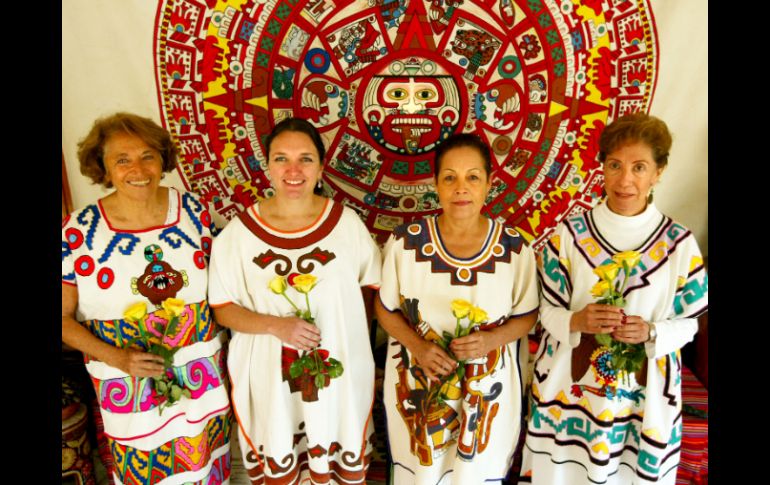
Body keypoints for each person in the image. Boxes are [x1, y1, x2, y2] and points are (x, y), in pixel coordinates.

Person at [519, 113, 709, 484]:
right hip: (569, 398)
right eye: (615, 165)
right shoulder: (569, 235)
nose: (625, 180)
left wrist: (652, 332)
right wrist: (576, 321)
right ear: (601, 168)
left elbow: (691, 322)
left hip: (643, 398)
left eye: (639, 167)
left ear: (659, 171)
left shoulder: (679, 244)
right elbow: (543, 311)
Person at [207, 117, 382, 483]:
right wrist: (276, 326)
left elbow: (370, 293)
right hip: (272, 379)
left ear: (320, 167)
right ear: (266, 166)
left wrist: (348, 344)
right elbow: (223, 310)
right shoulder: (239, 235)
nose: (293, 170)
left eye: (305, 159)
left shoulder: (347, 225)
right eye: (281, 158)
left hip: (337, 377)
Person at [61, 112, 232, 484]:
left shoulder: (193, 212)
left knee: (208, 470)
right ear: (102, 167)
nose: (137, 168)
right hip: (130, 391)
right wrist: (118, 357)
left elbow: (228, 283)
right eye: (122, 159)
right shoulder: (78, 232)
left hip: (202, 387)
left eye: (148, 155)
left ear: (163, 159)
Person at [376, 133, 540, 484]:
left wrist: (491, 341)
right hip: (420, 390)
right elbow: (385, 309)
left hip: (486, 395)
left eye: (472, 177)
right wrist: (419, 347)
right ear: (435, 184)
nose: (460, 188)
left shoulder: (513, 248)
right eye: (449, 177)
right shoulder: (406, 242)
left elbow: (528, 315)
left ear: (489, 184)